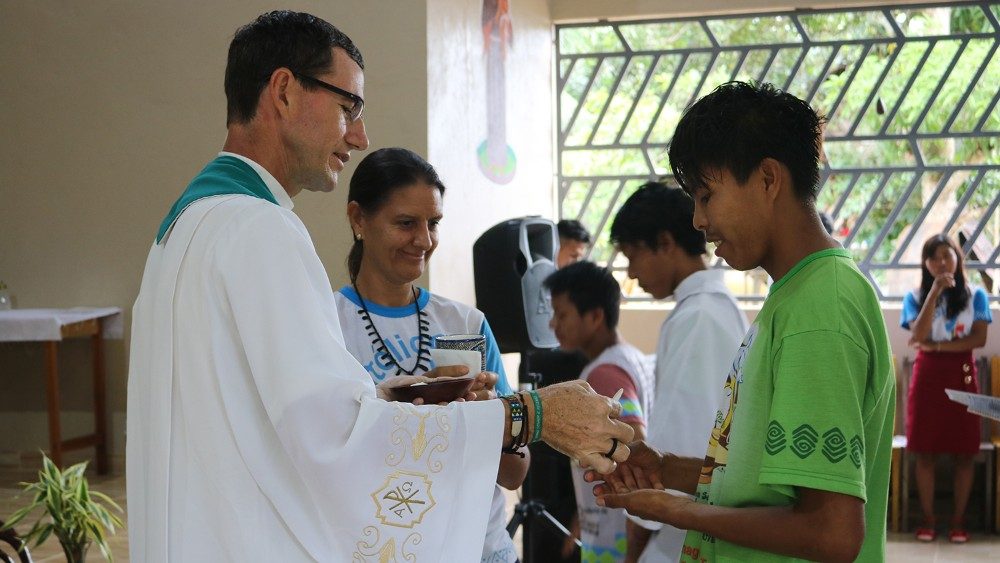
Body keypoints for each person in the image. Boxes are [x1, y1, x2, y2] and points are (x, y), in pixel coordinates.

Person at [126, 11, 634, 561]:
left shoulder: (187, 226)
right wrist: (531, 414)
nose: (359, 135)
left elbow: (262, 413)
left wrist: (388, 398)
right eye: (348, 107)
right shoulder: (262, 229)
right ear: (284, 91)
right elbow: (337, 438)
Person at [586, 81, 896, 562]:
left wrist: (680, 511)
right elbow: (758, 482)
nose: (697, 220)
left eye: (707, 195)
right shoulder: (796, 293)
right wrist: (665, 467)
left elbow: (830, 533)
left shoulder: (820, 309)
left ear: (768, 179)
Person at [334, 147, 527, 561]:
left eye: (433, 223)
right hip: (378, 546)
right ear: (358, 219)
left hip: (478, 548)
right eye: (406, 223)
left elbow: (515, 473)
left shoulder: (466, 324)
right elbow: (319, 457)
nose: (424, 240)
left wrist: (486, 415)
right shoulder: (327, 324)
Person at [608, 182, 749, 562]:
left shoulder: (699, 317)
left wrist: (635, 545)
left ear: (666, 243)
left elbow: (680, 445)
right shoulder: (710, 308)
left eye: (633, 256)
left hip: (685, 531)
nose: (632, 273)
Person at [544, 261, 655, 562]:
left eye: (562, 314)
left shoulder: (604, 372)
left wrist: (633, 552)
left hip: (619, 541)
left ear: (594, 317)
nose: (553, 324)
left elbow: (635, 451)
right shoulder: (630, 356)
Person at [902, 233, 992, 544]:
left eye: (947, 255)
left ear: (957, 257)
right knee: (924, 451)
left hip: (963, 375)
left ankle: (958, 521)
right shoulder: (914, 297)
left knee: (964, 452)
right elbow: (918, 335)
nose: (942, 262)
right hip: (927, 378)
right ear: (925, 264)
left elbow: (978, 339)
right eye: (934, 257)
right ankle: (928, 520)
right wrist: (935, 292)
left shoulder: (976, 296)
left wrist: (938, 347)